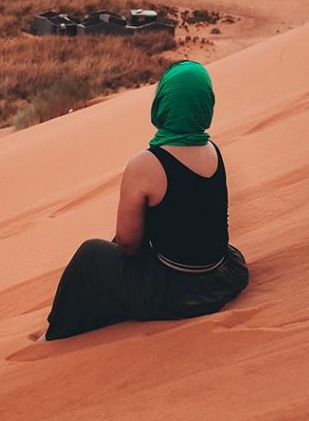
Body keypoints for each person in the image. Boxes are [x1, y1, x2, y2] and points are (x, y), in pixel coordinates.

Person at [43, 60, 248, 341]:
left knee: (90, 256)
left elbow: (128, 243)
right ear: (205, 104)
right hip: (219, 276)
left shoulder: (146, 165)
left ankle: (55, 337)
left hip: (176, 291)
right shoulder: (213, 150)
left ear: (164, 101)